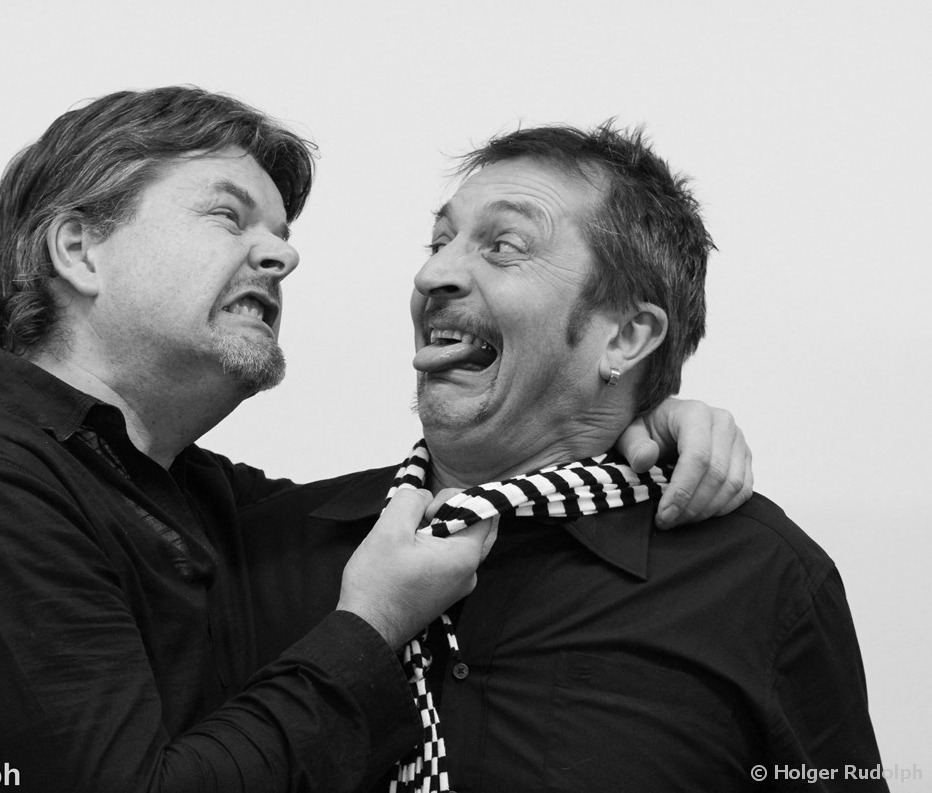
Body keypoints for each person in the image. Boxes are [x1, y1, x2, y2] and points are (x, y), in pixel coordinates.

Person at [0, 88, 751, 793]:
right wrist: (368, 629)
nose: (284, 254)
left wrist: (629, 430)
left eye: (282, 232)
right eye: (229, 215)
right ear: (80, 250)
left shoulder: (189, 503)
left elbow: (461, 486)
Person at [242, 124, 886, 792]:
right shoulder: (265, 547)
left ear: (626, 337)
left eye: (504, 246)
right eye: (439, 242)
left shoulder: (760, 579)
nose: (432, 274)